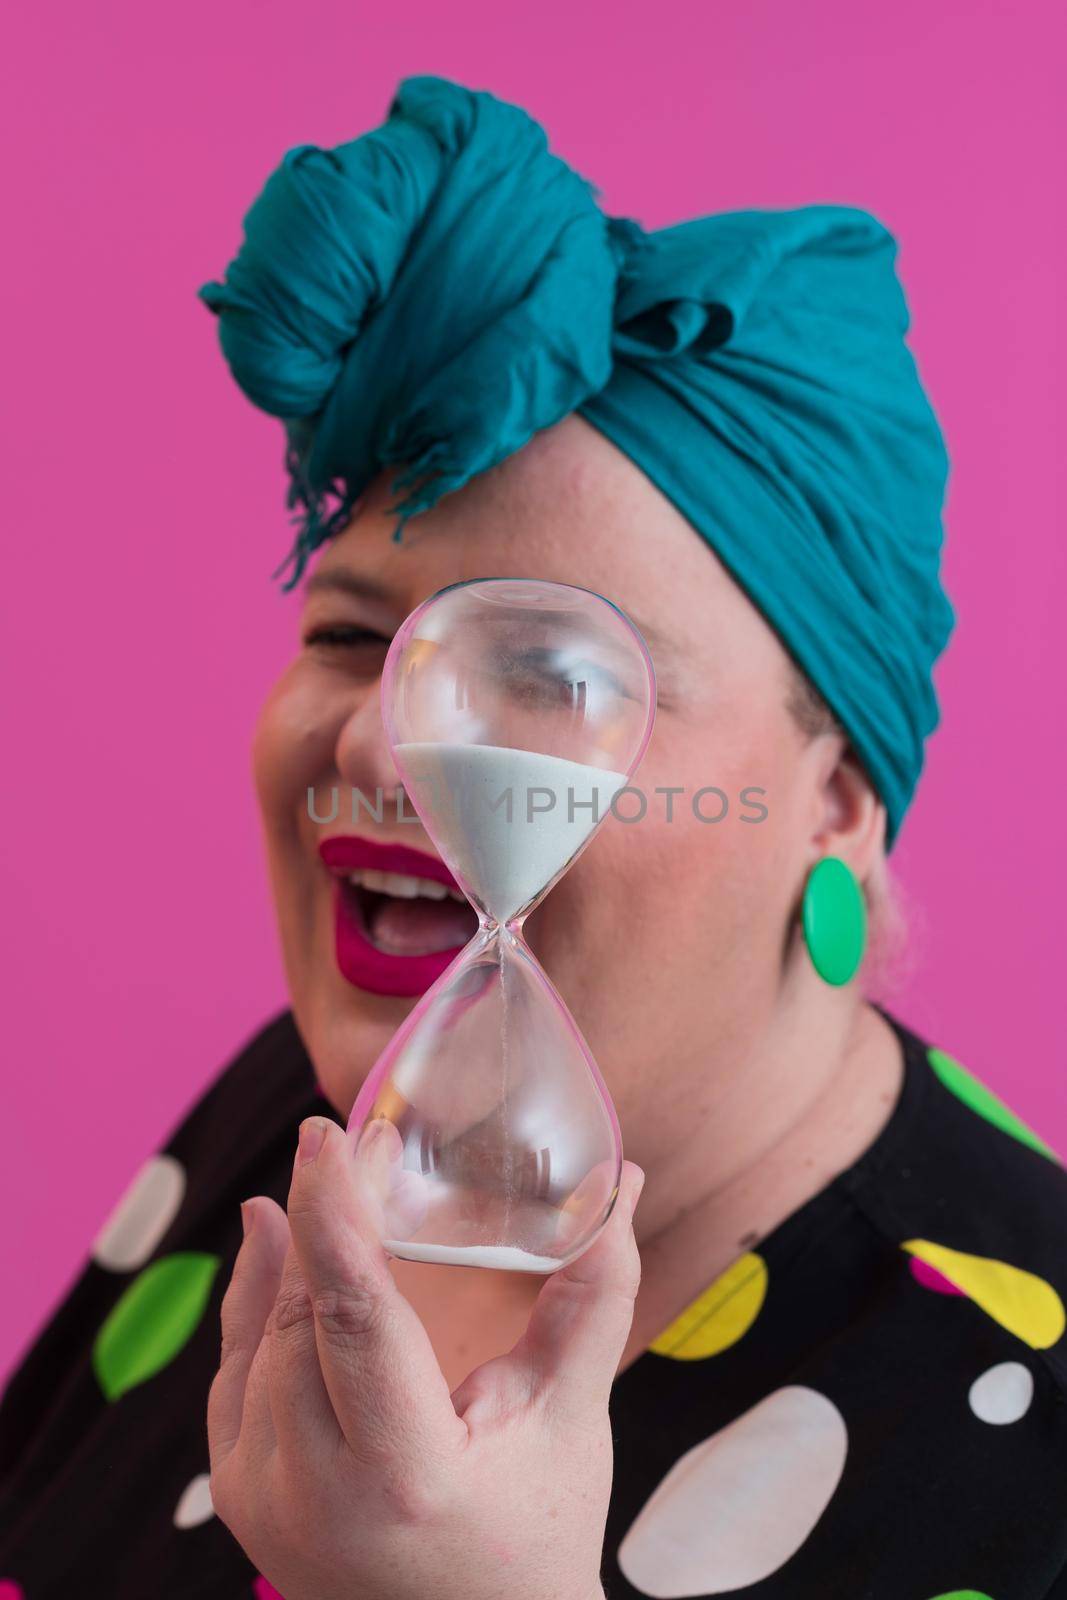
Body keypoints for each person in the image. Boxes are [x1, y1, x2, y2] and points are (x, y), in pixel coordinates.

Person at [2, 72, 1066, 1600]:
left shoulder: (1028, 1461)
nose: (381, 737)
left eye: (553, 672)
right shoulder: (307, 1132)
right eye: (358, 636)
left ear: (838, 797)